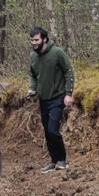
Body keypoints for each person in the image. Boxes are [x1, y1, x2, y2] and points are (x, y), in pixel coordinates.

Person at [27, 26, 74, 171]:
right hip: (43, 99)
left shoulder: (57, 52)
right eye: (32, 40)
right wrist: (32, 88)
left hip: (57, 97)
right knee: (47, 131)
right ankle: (54, 161)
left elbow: (69, 72)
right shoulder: (33, 56)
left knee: (53, 129)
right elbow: (34, 76)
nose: (34, 43)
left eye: (36, 40)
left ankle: (63, 160)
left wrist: (68, 94)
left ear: (44, 39)